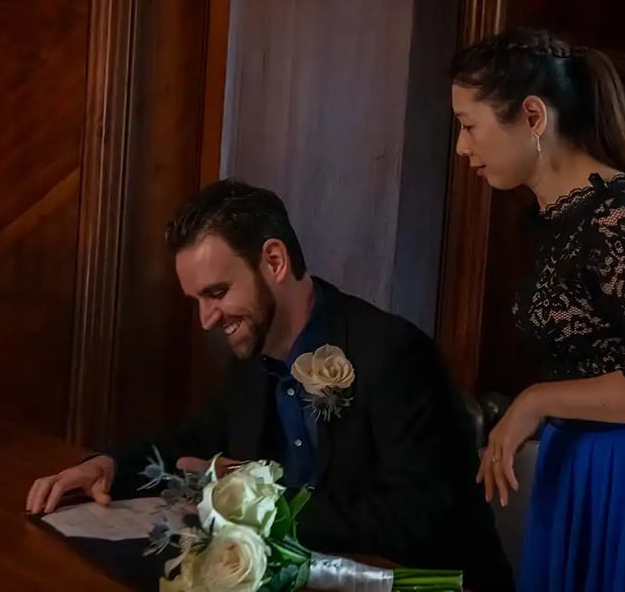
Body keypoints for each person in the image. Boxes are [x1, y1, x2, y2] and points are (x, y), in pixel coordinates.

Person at [26, 180, 515, 592]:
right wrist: (107, 466)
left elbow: (419, 518)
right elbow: (195, 442)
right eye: (197, 299)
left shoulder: (392, 354)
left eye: (217, 293)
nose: (206, 319)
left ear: (274, 261)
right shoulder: (254, 355)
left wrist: (267, 502)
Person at [450, 26, 625, 592]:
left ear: (534, 116)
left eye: (470, 127)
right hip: (589, 459)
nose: (463, 148)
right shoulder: (560, 215)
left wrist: (537, 400)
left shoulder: (618, 219)